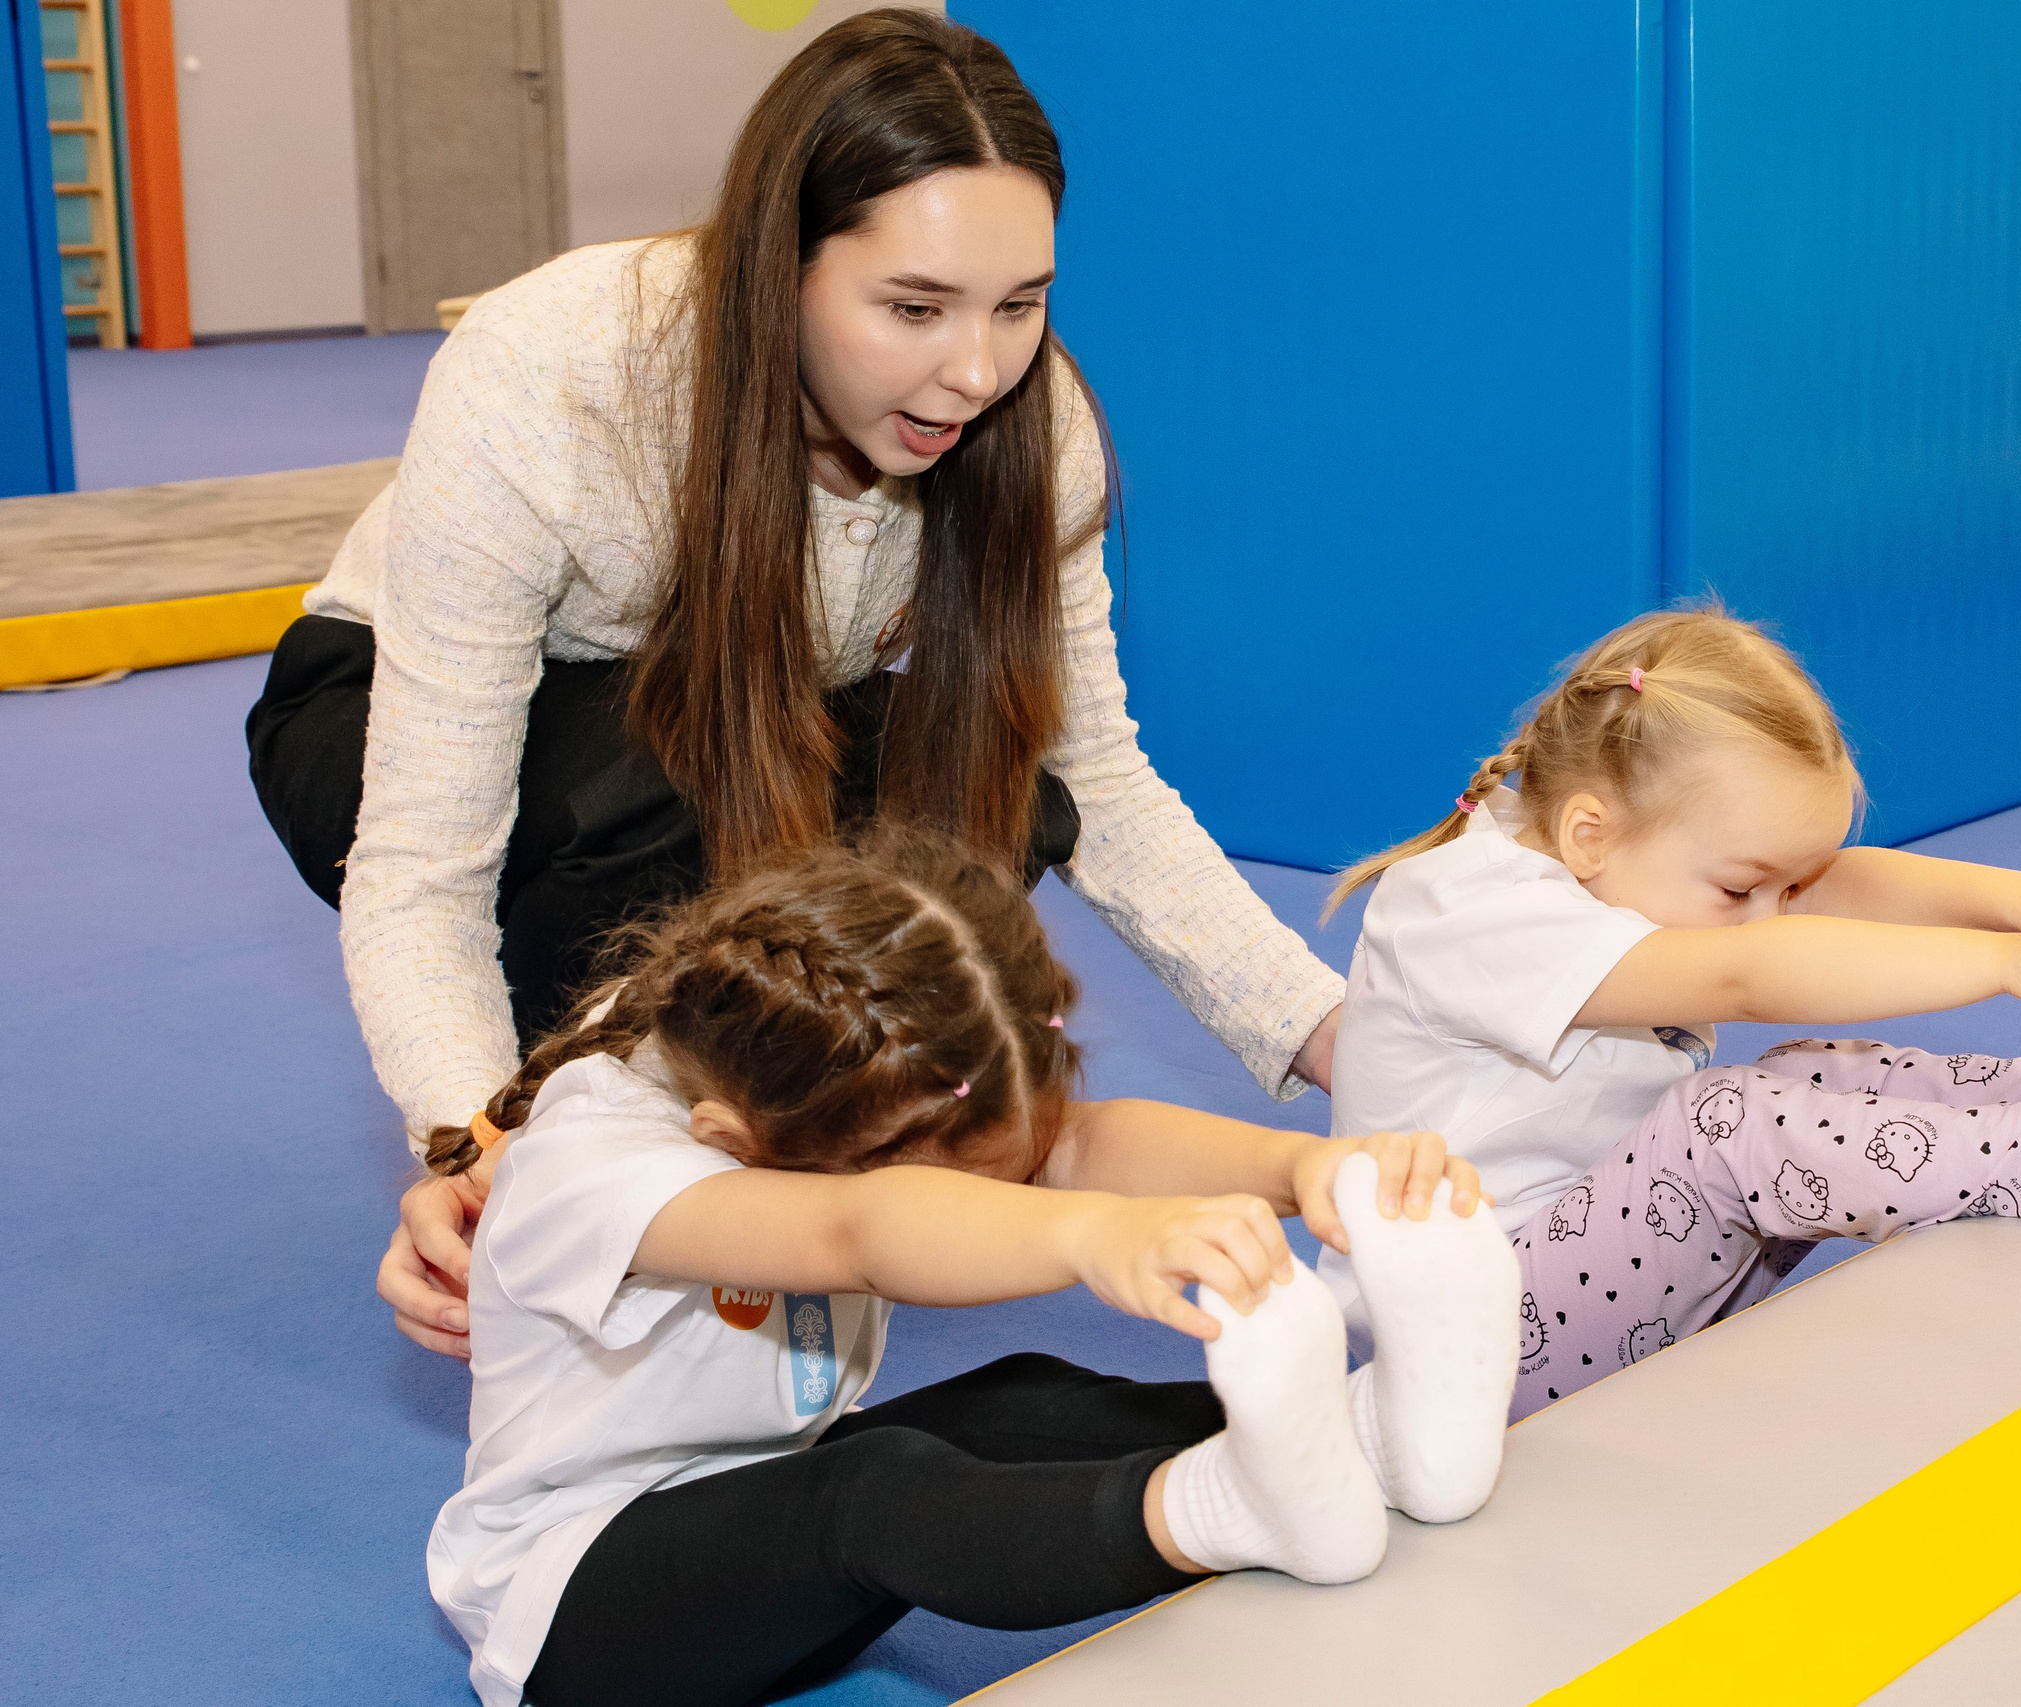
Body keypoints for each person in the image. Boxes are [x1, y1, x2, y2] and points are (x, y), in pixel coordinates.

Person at [239, 11, 1348, 1361]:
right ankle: (619, 1142)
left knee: (1007, 801)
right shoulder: (552, 373)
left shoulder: (1025, 424)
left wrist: (1333, 1032)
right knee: (639, 802)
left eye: (1021, 301)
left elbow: (1096, 777)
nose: (979, 370)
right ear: (784, 267)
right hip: (401, 714)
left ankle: (769, 1128)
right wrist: (483, 1145)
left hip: (731, 711)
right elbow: (424, 853)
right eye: (915, 307)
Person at [430, 832, 1519, 1707]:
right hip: (580, 1618)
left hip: (755, 1508)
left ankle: (1371, 1440)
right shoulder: (592, 1159)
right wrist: (1092, 1238)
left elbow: (1084, 1144)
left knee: (1028, 1400)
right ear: (735, 1139)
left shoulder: (794, 1074)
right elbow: (861, 1229)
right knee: (871, 1494)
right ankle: (1226, 1510)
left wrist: (1308, 1169)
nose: (1012, 1185)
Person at [1319, 610, 2021, 1422]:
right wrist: (2008, 961)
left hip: (1589, 1283)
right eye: (1743, 886)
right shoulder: (1463, 911)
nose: (1772, 910)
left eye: (1782, 887)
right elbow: (1747, 974)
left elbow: (1838, 887)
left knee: (1810, 1070)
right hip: (1463, 1348)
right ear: (1589, 834)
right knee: (1723, 1125)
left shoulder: (1624, 855)